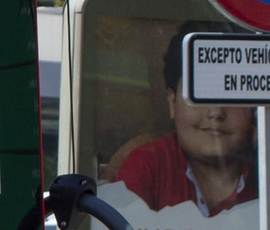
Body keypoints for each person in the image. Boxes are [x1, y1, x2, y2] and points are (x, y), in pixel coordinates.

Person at [107, 29, 256, 216]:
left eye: (232, 94)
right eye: (200, 94)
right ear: (172, 101)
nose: (216, 112)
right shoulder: (147, 165)